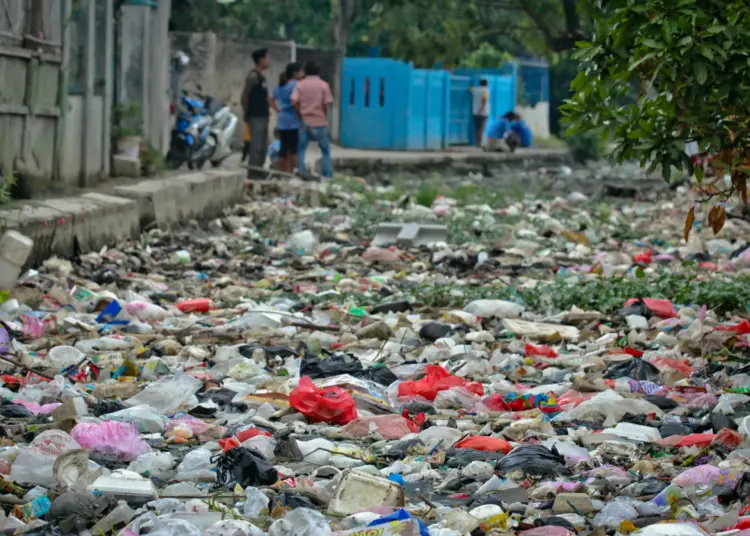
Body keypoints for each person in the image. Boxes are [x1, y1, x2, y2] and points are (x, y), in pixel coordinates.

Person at [292, 61, 334, 178]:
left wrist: (299, 113)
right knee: (325, 150)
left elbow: (294, 101)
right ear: (318, 71)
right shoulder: (323, 85)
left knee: (301, 149)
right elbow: (327, 103)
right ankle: (327, 174)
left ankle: (301, 171)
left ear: (305, 72)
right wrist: (324, 114)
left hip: (305, 121)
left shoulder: (300, 85)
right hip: (320, 121)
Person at [241, 48, 271, 172]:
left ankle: (259, 171)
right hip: (256, 116)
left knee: (263, 147)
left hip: (264, 115)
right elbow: (245, 96)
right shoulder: (253, 76)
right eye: (267, 58)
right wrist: (247, 113)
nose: (269, 61)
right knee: (256, 146)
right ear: (260, 60)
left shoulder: (262, 77)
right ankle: (253, 172)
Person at [271, 62, 304, 173]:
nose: (302, 73)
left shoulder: (281, 85)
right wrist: (300, 114)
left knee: (283, 149)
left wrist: (277, 110)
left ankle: (282, 172)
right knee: (293, 150)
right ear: (295, 73)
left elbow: (270, 99)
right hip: (293, 121)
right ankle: (292, 172)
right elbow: (297, 103)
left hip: (282, 120)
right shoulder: (297, 85)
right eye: (301, 71)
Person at [470, 79, 489, 147]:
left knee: (477, 128)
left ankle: (477, 143)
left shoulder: (476, 89)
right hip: (483, 112)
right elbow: (485, 99)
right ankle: (479, 143)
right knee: (481, 128)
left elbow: (469, 89)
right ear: (486, 84)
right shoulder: (486, 90)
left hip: (475, 112)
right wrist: (481, 108)